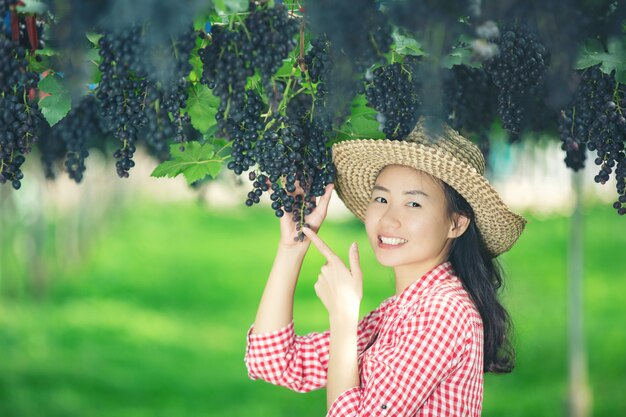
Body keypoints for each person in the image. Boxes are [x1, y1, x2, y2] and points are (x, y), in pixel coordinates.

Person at [243, 116, 526, 416]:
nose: (389, 219)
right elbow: (271, 360)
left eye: (413, 203)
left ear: (455, 223)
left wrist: (343, 316)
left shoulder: (444, 312)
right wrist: (293, 246)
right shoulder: (401, 312)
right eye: (381, 198)